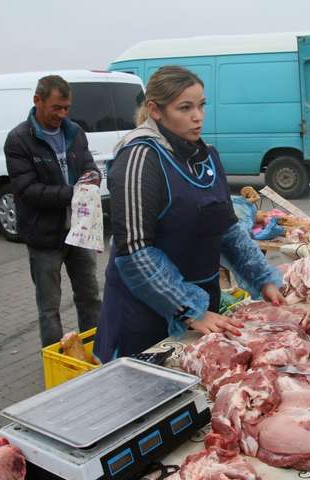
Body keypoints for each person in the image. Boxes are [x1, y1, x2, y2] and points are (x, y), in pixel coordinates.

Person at [93, 66, 283, 362]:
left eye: (201, 105)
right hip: (147, 313)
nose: (198, 116)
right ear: (155, 110)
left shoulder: (206, 155)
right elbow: (134, 251)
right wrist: (188, 310)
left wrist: (263, 279)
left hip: (203, 308)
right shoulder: (140, 159)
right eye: (185, 108)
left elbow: (228, 228)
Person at [5, 75, 101, 348]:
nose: (62, 114)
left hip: (79, 233)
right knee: (49, 308)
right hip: (44, 237)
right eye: (56, 107)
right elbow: (27, 190)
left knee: (90, 297)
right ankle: (55, 363)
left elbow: (88, 165)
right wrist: (74, 193)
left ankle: (95, 350)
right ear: (38, 101)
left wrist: (92, 177)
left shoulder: (74, 132)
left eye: (66, 108)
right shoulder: (19, 139)